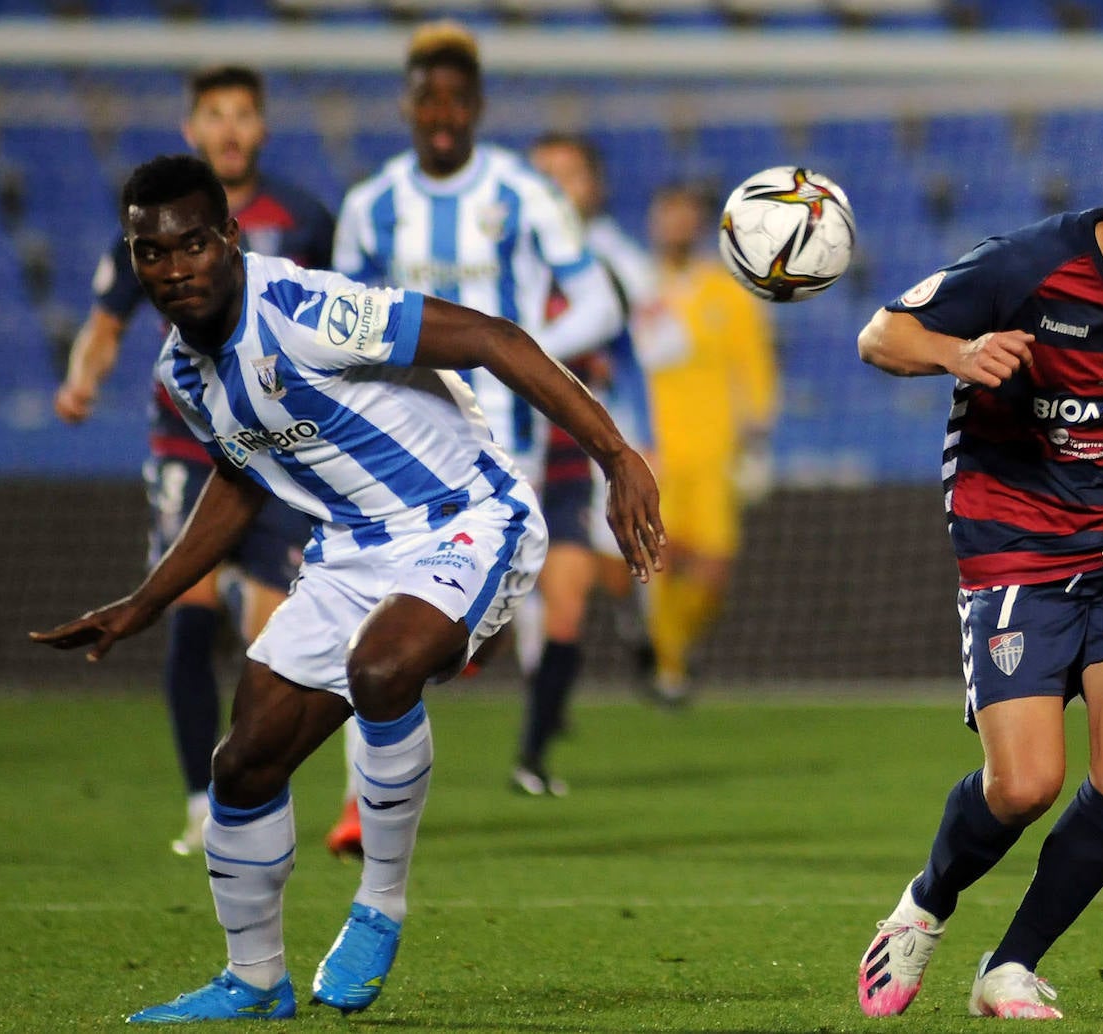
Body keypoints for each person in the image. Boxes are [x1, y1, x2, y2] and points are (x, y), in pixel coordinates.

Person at [31, 154, 662, 1023]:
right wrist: (146, 600)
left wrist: (617, 456)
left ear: (230, 240)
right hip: (350, 551)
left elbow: (490, 337)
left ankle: (381, 903)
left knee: (382, 670)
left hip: (464, 516)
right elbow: (243, 476)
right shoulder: (182, 373)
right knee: (242, 764)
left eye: (192, 245)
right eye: (150, 253)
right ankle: (254, 981)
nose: (173, 269)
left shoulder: (301, 309)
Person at [853, 132, 1103, 1020]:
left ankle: (1011, 966)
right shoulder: (1027, 266)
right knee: (1026, 784)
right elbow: (881, 335)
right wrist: (960, 355)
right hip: (1020, 548)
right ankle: (926, 903)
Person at [52, 64, 344, 859]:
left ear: (262, 128)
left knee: (274, 638)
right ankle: (199, 803)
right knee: (188, 609)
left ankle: (253, 787)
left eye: (243, 113)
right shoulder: (146, 229)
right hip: (187, 440)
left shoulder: (306, 218)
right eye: (214, 114)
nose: (229, 128)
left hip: (278, 446)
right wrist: (82, 379)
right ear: (193, 128)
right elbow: (107, 319)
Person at [332, 21, 623, 795]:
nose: (442, 115)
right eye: (428, 99)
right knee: (376, 618)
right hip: (396, 444)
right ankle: (363, 797)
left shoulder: (524, 195)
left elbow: (598, 302)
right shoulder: (371, 206)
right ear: (407, 105)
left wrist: (519, 353)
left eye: (457, 101)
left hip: (507, 442)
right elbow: (337, 316)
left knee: (498, 619)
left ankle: (525, 750)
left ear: (479, 107)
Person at [517, 132, 681, 793]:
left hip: (569, 443)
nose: (557, 189)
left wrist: (643, 441)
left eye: (570, 175)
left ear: (594, 186)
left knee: (567, 596)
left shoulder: (610, 264)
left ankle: (532, 755)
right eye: (544, 175)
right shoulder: (498, 253)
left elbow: (641, 354)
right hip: (492, 438)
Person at [642, 181, 777, 704]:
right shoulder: (637, 287)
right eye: (666, 215)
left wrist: (759, 440)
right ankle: (669, 670)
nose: (674, 226)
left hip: (717, 450)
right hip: (654, 450)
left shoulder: (726, 292)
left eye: (683, 216)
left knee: (714, 567)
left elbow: (755, 366)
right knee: (661, 558)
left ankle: (676, 644)